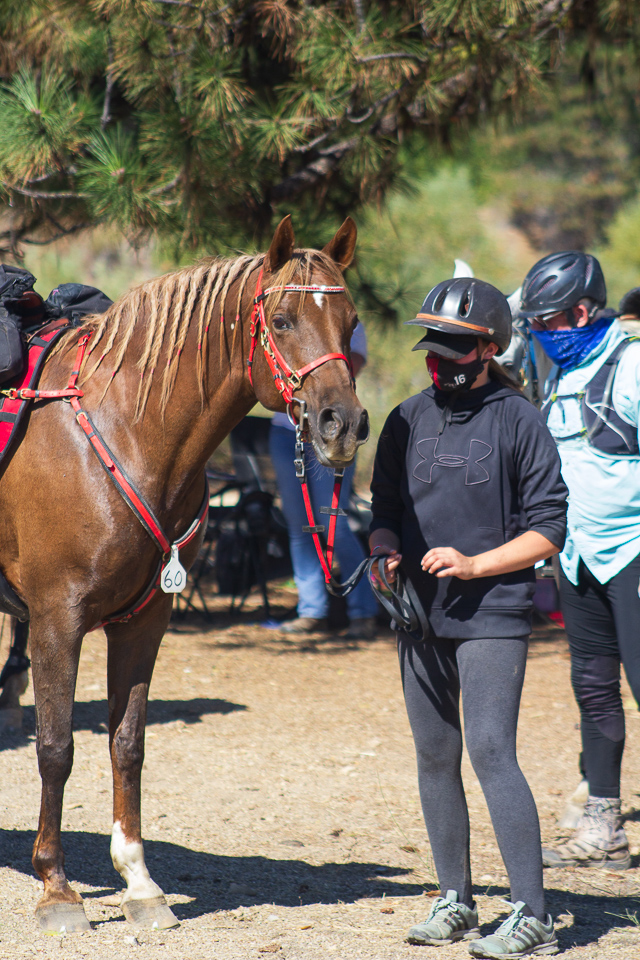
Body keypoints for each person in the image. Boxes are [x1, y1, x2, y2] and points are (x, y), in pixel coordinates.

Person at [370, 278, 567, 957]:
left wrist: (476, 565)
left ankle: (533, 913)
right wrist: (385, 553)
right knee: (434, 754)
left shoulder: (519, 419)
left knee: (489, 751)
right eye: (433, 349)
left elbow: (549, 532)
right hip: (420, 618)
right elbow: (385, 514)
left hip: (493, 613)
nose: (441, 360)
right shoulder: (405, 418)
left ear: (489, 347)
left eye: (455, 349)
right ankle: (455, 899)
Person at [519, 251, 640, 870]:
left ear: (583, 311)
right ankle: (604, 831)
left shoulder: (633, 365)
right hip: (577, 559)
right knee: (594, 690)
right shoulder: (563, 375)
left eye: (548, 322)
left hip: (633, 555)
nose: (540, 335)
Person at [270, 320, 379, 639]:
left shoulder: (347, 318)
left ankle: (363, 611)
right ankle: (312, 610)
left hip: (332, 427)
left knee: (333, 523)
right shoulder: (292, 315)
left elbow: (348, 370)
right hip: (284, 429)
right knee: (298, 524)